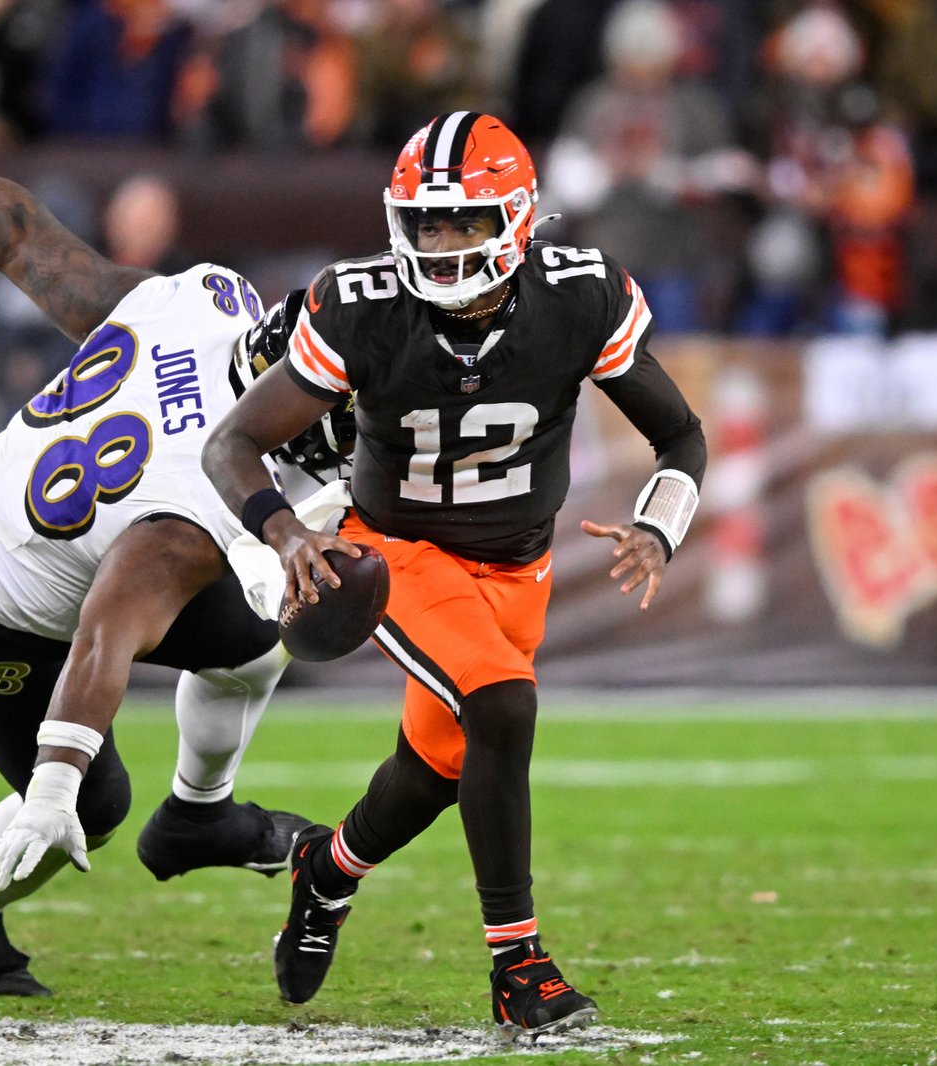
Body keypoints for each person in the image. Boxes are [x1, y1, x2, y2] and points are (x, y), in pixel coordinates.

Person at [0, 73, 351, 997]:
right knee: (92, 805)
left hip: (60, 526)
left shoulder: (209, 301)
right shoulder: (200, 498)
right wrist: (54, 783)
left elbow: (25, 242)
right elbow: (107, 630)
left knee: (258, 640)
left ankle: (199, 818)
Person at [201, 112, 707, 1037]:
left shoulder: (580, 296)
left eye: (463, 222)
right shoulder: (360, 306)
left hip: (519, 564)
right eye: (426, 223)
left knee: (437, 767)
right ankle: (519, 964)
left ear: (516, 218)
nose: (440, 243)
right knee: (504, 702)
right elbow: (233, 442)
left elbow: (680, 434)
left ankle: (327, 870)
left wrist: (659, 528)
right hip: (397, 552)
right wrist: (281, 533)